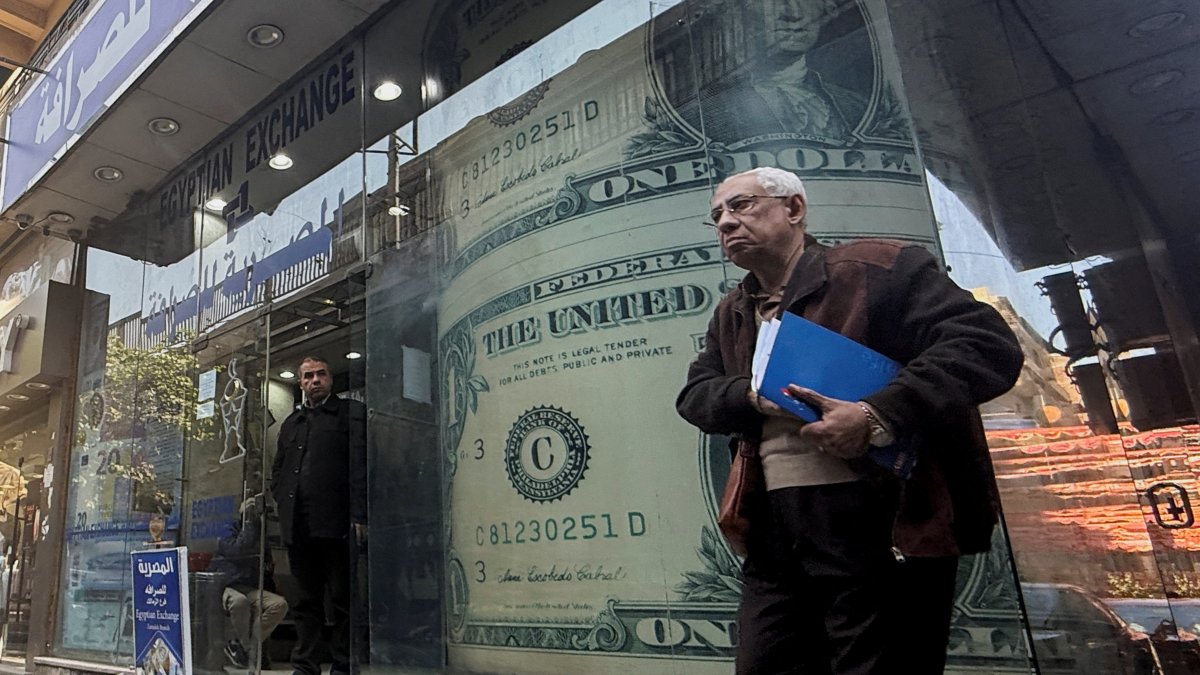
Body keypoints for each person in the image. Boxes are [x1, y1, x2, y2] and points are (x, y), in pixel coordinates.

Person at [676, 167, 1023, 674]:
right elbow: (695, 394)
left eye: (742, 205)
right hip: (775, 528)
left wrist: (875, 414)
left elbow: (985, 346)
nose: (726, 223)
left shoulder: (879, 268)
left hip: (882, 519)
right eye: (717, 216)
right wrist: (752, 397)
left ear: (793, 209)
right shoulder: (732, 311)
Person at [271, 356, 367, 675]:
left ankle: (343, 666)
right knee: (305, 602)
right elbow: (278, 472)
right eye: (309, 376)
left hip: (337, 524)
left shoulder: (351, 414)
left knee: (342, 600)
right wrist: (283, 505)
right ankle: (306, 666)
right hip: (299, 527)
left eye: (321, 374)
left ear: (330, 379)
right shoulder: (291, 424)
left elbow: (363, 466)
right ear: (300, 383)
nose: (315, 380)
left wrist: (359, 515)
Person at [209, 495, 288, 669]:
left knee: (278, 605)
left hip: (249, 586)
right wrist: (249, 521)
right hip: (227, 584)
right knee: (239, 602)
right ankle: (248, 649)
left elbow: (265, 561)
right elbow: (237, 550)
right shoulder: (228, 528)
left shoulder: (258, 533)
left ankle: (243, 646)